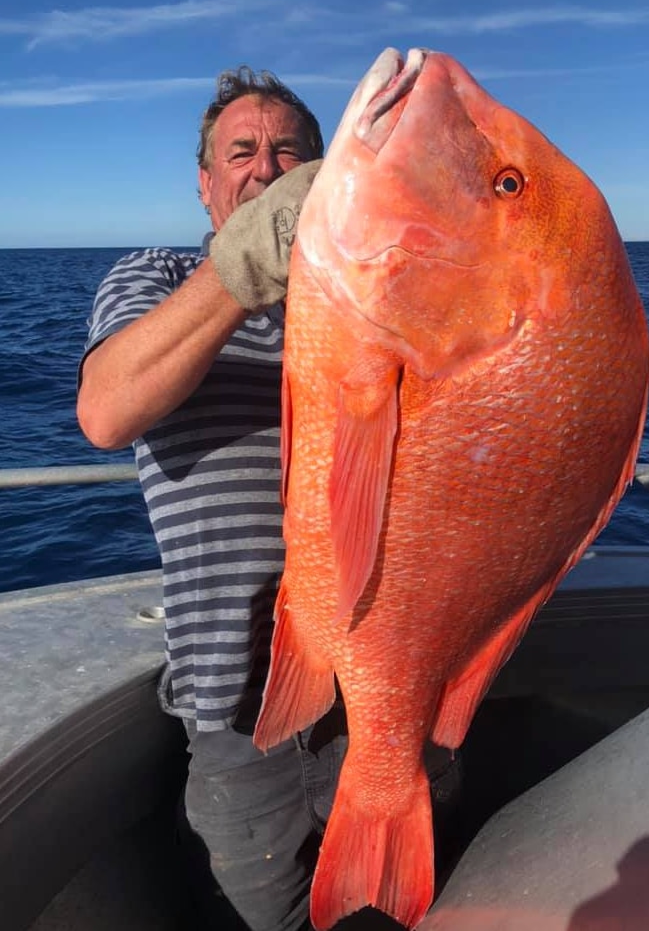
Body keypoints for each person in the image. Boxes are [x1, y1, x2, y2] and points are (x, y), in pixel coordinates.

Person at [77, 67, 462, 931]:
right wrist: (244, 263)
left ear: (324, 173)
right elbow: (105, 411)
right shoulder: (157, 278)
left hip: (396, 689)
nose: (265, 166)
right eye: (241, 151)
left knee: (408, 913)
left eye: (290, 151)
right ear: (206, 185)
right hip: (239, 704)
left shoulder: (380, 294)